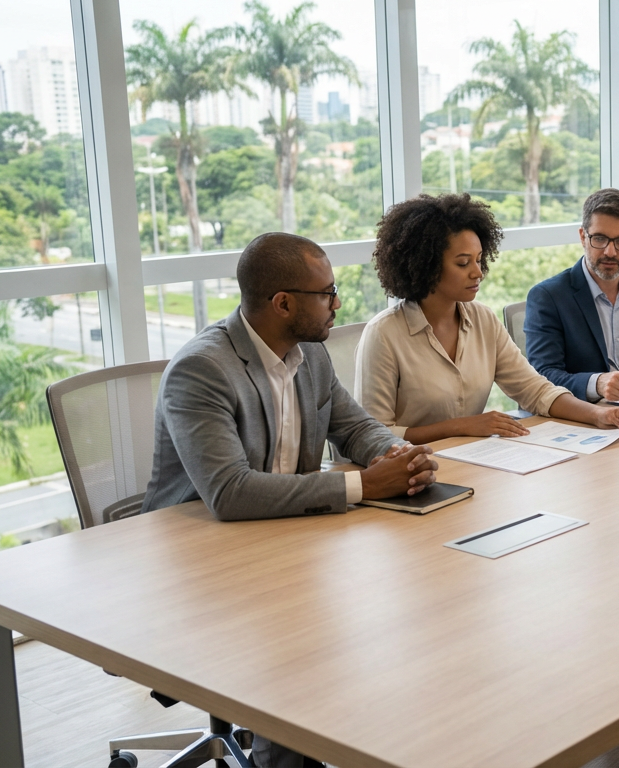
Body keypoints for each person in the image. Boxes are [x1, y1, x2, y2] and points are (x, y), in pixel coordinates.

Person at [142, 232, 437, 767]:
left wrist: (400, 455)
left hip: (287, 542)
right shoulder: (202, 370)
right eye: (327, 293)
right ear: (283, 303)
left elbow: (355, 428)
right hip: (203, 564)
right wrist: (367, 486)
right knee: (318, 646)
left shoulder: (310, 357)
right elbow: (229, 493)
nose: (338, 304)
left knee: (391, 616)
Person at [355, 193, 619, 442]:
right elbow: (375, 434)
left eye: (479, 260)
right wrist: (460, 427)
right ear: (425, 265)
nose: (478, 272)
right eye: (463, 263)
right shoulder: (384, 334)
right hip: (410, 474)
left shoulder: (482, 320)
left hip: (471, 463)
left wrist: (598, 416)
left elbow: (535, 390)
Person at [524, 188, 619, 402]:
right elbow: (542, 377)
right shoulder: (548, 297)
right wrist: (596, 384)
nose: (610, 252)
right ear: (582, 236)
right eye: (599, 239)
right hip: (583, 419)